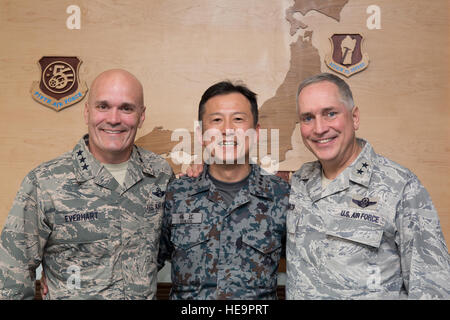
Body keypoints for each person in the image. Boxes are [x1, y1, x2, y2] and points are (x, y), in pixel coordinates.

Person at [0, 69, 173, 299]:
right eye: (103, 106)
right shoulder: (45, 182)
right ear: (86, 112)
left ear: (141, 116)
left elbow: (163, 248)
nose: (113, 118)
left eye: (126, 108)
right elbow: (13, 273)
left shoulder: (160, 174)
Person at [286, 72, 450, 299]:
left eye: (330, 113)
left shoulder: (400, 186)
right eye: (307, 118)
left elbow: (433, 287)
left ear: (354, 118)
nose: (319, 128)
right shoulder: (299, 182)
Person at [157, 81, 290, 299]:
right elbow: (145, 263)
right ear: (200, 134)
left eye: (238, 119)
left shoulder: (281, 195)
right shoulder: (176, 194)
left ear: (255, 132)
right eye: (216, 120)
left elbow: (307, 268)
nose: (227, 130)